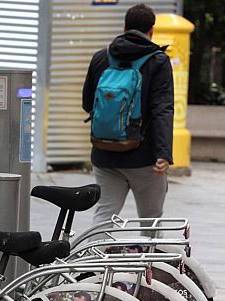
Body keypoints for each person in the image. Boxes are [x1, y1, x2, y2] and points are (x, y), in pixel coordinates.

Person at [82, 3, 174, 227]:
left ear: (124, 26)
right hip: (145, 159)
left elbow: (87, 104)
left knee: (104, 217)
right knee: (150, 221)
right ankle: (148, 262)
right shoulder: (158, 61)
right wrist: (164, 153)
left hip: (104, 155)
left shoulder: (101, 57)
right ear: (151, 30)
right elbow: (162, 109)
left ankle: (96, 260)